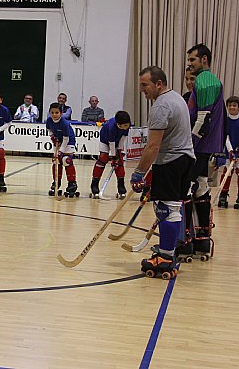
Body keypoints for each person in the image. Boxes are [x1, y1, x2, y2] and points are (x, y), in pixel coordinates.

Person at [130, 66, 195, 279]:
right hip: (185, 159)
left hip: (170, 161)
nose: (142, 90)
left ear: (158, 83)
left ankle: (165, 257)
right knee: (174, 208)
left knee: (165, 209)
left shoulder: (161, 106)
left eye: (145, 85)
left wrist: (139, 173)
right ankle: (168, 251)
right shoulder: (177, 98)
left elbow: (153, 147)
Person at [184, 43, 225, 259]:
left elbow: (204, 119)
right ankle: (201, 241)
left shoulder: (206, 80)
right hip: (203, 146)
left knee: (185, 188)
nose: (189, 64)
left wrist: (189, 145)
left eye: (192, 60)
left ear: (204, 60)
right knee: (200, 186)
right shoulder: (206, 81)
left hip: (199, 146)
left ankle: (186, 240)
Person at [89, 111, 131, 199]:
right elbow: (111, 142)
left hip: (117, 142)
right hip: (105, 141)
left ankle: (121, 187)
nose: (127, 127)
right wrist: (113, 156)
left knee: (119, 162)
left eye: (128, 125)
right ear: (119, 125)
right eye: (125, 126)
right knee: (102, 159)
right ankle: (94, 185)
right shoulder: (112, 127)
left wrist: (118, 153)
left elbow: (123, 139)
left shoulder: (126, 125)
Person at [46, 102, 79, 197]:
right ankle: (56, 182)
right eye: (52, 112)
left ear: (61, 113)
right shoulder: (49, 120)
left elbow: (66, 139)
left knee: (66, 160)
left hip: (68, 141)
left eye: (57, 112)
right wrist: (52, 136)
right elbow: (49, 129)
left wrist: (61, 152)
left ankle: (72, 183)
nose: (54, 115)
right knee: (56, 161)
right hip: (58, 140)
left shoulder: (64, 123)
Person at [217, 96, 239, 209]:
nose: (232, 107)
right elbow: (226, 137)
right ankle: (223, 196)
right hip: (228, 152)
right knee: (227, 173)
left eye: (234, 105)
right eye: (230, 105)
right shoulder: (225, 121)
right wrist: (230, 150)